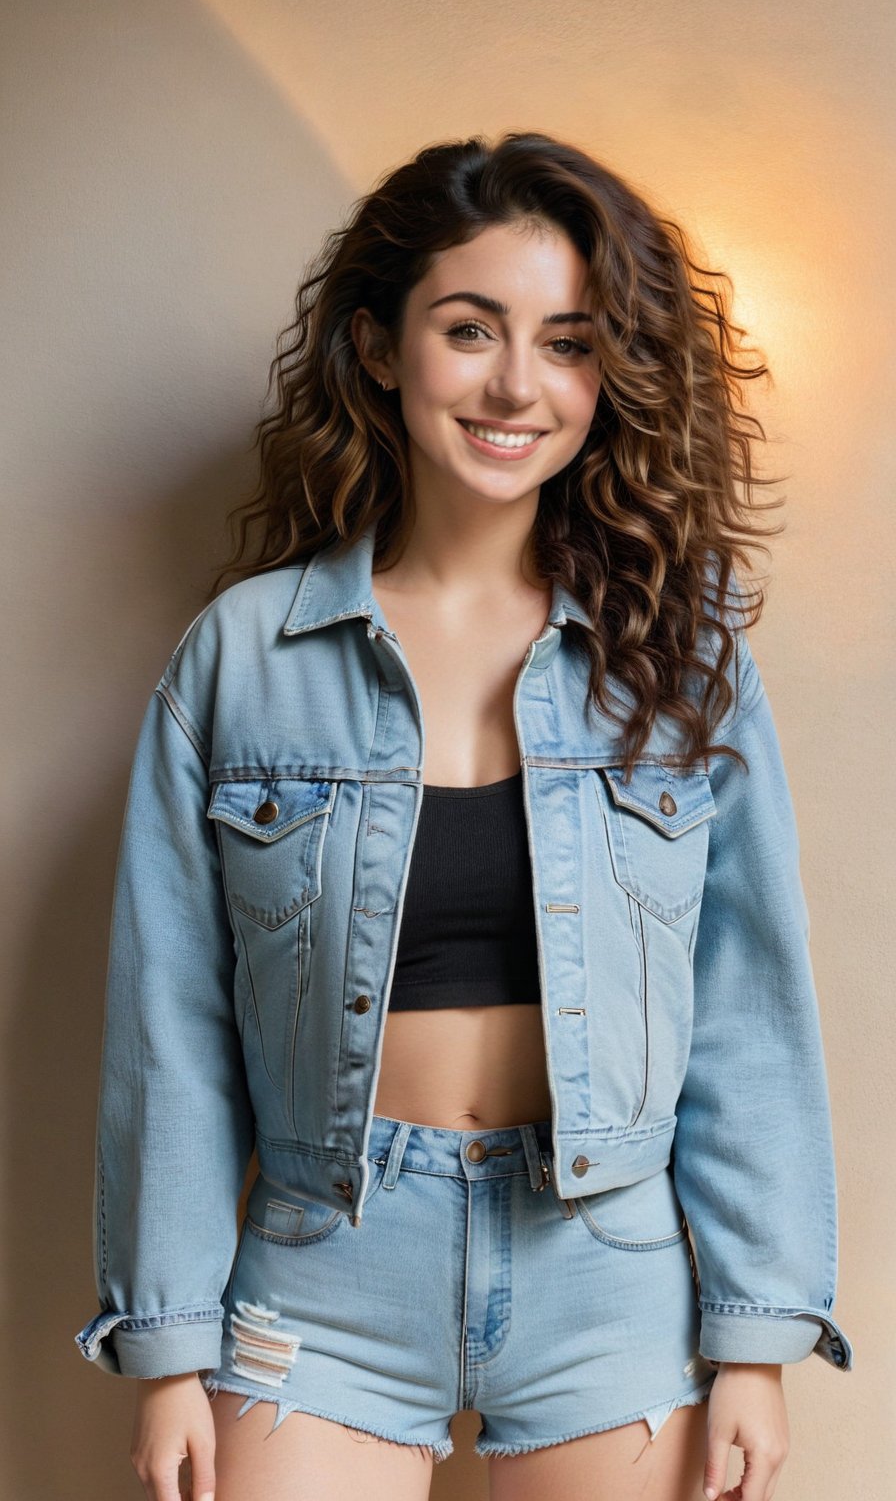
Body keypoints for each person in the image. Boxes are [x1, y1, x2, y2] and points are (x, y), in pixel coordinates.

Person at [75, 132, 853, 1501]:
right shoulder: (244, 656)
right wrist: (169, 1351)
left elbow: (748, 1008)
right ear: (380, 348)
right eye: (470, 329)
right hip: (322, 1274)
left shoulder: (684, 659)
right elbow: (171, 1029)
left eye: (566, 343)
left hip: (609, 1271)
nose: (516, 385)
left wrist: (754, 1339)